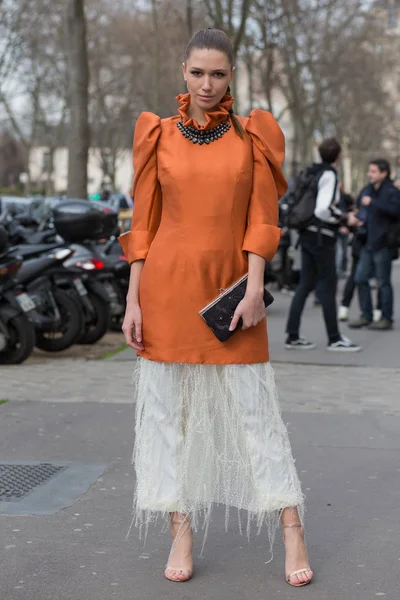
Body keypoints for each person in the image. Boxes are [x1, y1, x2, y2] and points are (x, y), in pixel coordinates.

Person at [119, 28, 313, 587]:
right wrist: (133, 299)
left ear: (232, 76)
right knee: (167, 418)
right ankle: (181, 528)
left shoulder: (252, 135)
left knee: (257, 414)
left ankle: (292, 526)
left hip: (230, 292)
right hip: (166, 289)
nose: (208, 83)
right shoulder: (156, 134)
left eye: (219, 74)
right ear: (183, 72)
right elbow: (143, 224)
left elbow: (261, 218)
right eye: (198, 72)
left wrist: (254, 287)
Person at [285, 138, 361, 351]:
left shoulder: (312, 171)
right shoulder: (329, 174)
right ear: (338, 156)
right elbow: (322, 209)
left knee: (305, 285)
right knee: (328, 287)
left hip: (306, 234)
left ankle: (292, 336)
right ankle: (334, 338)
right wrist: (345, 218)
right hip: (322, 237)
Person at [348, 159, 400, 330]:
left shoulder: (391, 191)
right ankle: (366, 315)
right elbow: (360, 209)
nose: (370, 174)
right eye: (369, 171)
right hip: (367, 242)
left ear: (384, 173)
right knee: (360, 278)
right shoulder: (368, 190)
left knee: (383, 282)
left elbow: (395, 211)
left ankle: (386, 318)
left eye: (373, 171)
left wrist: (374, 204)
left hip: (383, 243)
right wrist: (357, 219)